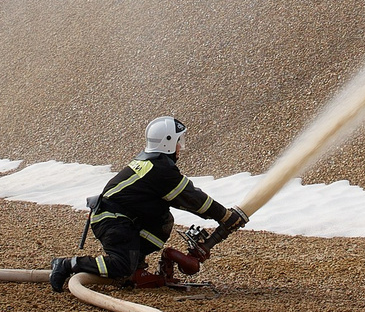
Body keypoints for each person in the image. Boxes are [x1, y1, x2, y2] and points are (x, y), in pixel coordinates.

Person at [50, 115, 245, 290]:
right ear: (168, 142)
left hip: (116, 218)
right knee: (121, 266)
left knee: (162, 218)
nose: (180, 147)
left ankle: (136, 266)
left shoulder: (152, 163)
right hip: (113, 219)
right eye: (179, 141)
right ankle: (68, 264)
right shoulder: (161, 169)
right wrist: (225, 216)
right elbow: (193, 197)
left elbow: (184, 199)